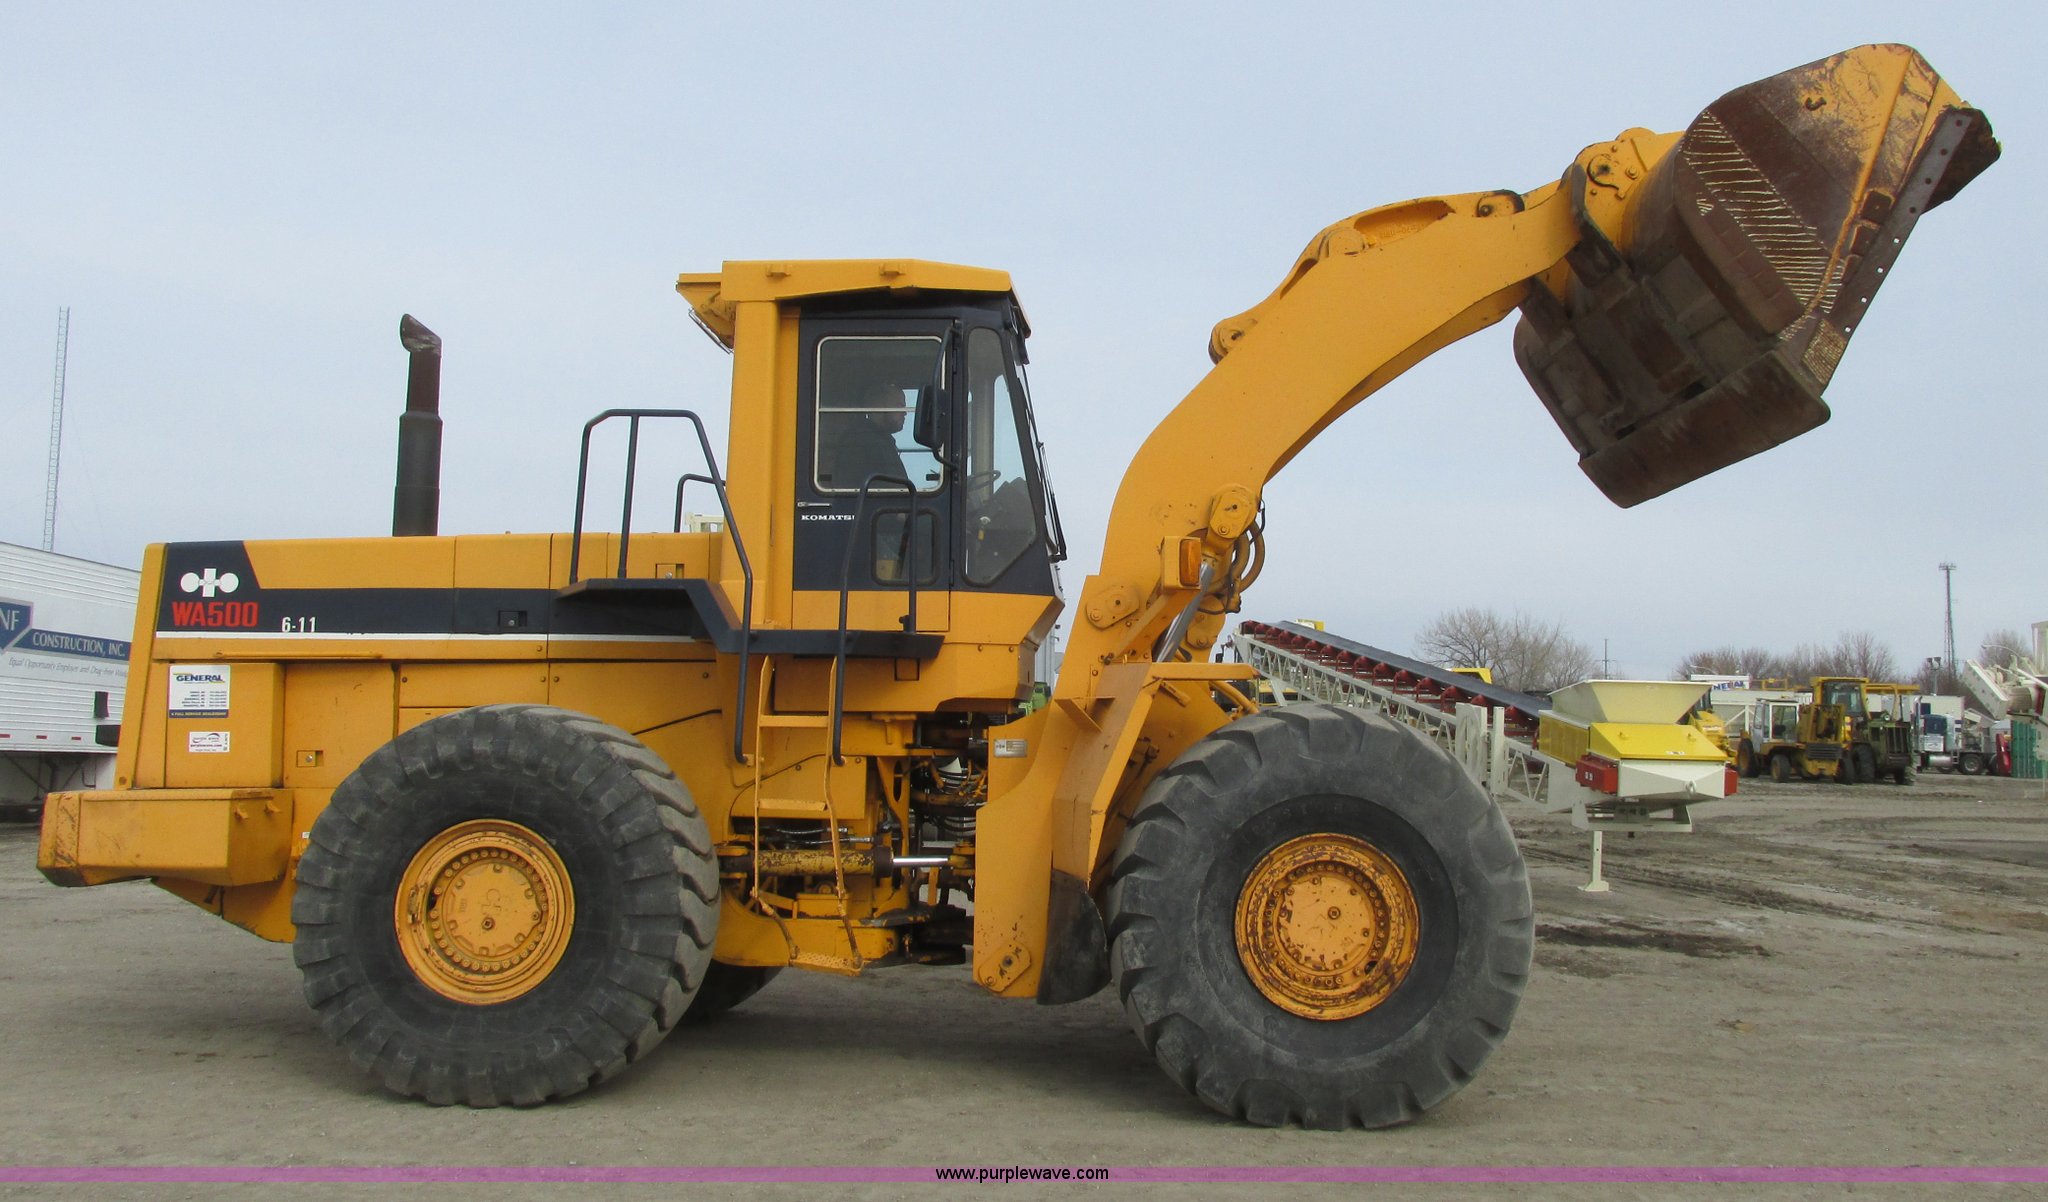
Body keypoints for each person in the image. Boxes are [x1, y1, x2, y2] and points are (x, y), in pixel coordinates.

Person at [820, 383, 912, 493]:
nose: (905, 413)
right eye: (899, 406)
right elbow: (856, 487)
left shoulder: (882, 441)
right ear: (879, 406)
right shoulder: (860, 441)